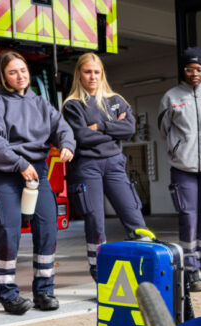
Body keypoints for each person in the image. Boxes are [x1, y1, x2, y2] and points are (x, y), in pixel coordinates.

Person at [0, 50, 75, 314]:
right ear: (3, 76)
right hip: (5, 172)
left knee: (47, 228)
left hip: (37, 173)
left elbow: (62, 128)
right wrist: (20, 164)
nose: (20, 76)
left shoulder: (41, 103)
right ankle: (8, 295)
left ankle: (44, 291)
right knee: (8, 231)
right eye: (12, 72)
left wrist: (67, 143)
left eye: (22, 70)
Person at [62, 53, 147, 283]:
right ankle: (100, 277)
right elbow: (81, 136)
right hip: (87, 167)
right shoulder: (73, 105)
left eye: (96, 72)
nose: (92, 76)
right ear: (79, 73)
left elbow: (129, 129)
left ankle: (145, 269)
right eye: (87, 72)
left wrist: (99, 126)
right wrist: (112, 130)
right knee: (95, 223)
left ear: (102, 74)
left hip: (115, 165)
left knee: (134, 216)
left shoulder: (116, 100)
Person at [158, 47, 201, 296]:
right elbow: (165, 129)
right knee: (188, 218)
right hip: (183, 167)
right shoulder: (171, 97)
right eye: (189, 69)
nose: (194, 73)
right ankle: (191, 270)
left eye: (199, 69)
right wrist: (180, 148)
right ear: (183, 70)